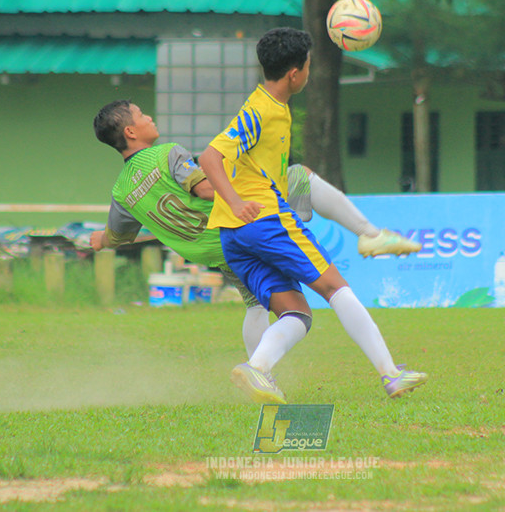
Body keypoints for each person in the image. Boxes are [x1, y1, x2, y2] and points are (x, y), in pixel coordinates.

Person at [89, 100, 420, 362]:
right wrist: (245, 192)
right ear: (131, 131)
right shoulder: (167, 154)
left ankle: (259, 374)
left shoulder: (122, 191)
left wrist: (99, 240)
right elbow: (204, 189)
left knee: (255, 304)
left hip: (214, 253)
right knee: (299, 175)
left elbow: (118, 236)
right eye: (142, 115)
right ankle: (369, 234)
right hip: (239, 227)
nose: (149, 117)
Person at [199, 27, 427, 403]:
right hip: (265, 221)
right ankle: (391, 374)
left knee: (298, 314)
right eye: (308, 65)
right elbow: (210, 157)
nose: (309, 71)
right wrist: (238, 202)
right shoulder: (262, 111)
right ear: (294, 74)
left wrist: (236, 208)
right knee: (335, 288)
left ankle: (257, 368)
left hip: (233, 235)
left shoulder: (265, 105)